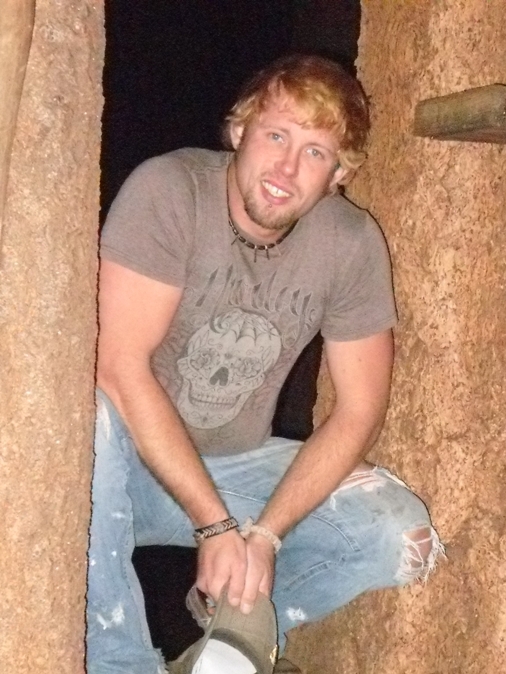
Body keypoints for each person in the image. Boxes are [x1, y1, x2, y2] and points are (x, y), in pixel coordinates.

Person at [87, 54, 443, 674]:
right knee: (85, 420)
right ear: (239, 130)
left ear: (338, 173)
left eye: (315, 152)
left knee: (400, 536)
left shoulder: (350, 243)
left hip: (234, 465)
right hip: (119, 461)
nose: (287, 167)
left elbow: (359, 411)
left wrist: (267, 534)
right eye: (277, 135)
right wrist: (214, 525)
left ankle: (223, 645)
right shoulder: (170, 191)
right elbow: (118, 366)